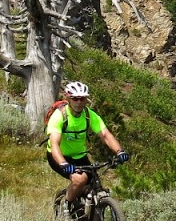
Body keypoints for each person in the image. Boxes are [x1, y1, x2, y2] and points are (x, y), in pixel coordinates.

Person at [46, 81, 127, 213]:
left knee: (95, 185)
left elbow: (105, 135)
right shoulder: (59, 116)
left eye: (82, 98)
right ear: (68, 98)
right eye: (75, 99)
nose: (79, 102)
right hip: (58, 156)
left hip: (80, 155)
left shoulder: (89, 115)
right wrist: (63, 163)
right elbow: (54, 144)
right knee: (80, 179)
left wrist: (119, 151)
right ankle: (67, 206)